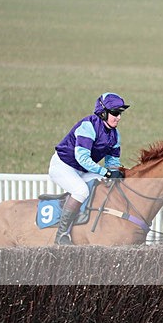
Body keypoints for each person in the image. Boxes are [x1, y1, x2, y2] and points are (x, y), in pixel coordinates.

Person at [48, 92, 130, 245]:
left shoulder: (115, 135)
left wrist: (116, 172)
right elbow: (83, 158)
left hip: (82, 170)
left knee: (104, 186)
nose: (119, 117)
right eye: (115, 113)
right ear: (103, 113)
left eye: (120, 113)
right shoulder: (88, 126)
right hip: (63, 166)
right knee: (81, 191)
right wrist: (106, 172)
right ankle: (61, 235)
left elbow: (112, 161)